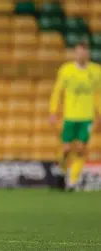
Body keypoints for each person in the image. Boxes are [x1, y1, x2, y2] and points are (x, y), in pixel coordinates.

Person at [49, 39, 101, 191]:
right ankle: (61, 170)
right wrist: (53, 111)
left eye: (84, 51)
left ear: (88, 53)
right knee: (65, 149)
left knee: (80, 149)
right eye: (79, 52)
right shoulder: (66, 70)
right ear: (75, 53)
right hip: (70, 116)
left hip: (87, 117)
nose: (82, 54)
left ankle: (72, 180)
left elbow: (98, 94)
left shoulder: (96, 71)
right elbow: (57, 92)